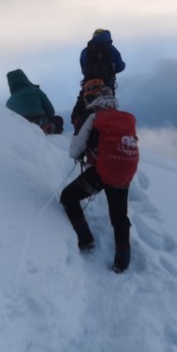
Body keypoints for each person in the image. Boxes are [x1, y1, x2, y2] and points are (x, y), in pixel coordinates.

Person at [59, 83, 139, 274]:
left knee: (68, 197)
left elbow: (74, 150)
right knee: (119, 216)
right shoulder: (126, 118)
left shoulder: (94, 117)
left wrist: (83, 154)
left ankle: (86, 240)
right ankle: (122, 260)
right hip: (124, 172)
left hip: (101, 172)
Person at [4, 69, 63, 134]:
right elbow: (50, 110)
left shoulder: (9, 101)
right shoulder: (35, 91)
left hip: (20, 126)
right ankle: (53, 134)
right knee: (58, 119)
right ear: (25, 79)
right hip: (40, 123)